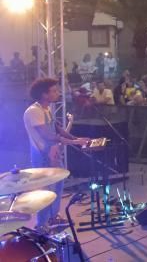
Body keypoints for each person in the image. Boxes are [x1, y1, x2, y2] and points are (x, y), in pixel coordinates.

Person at [23, 78, 89, 231]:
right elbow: (48, 135)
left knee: (57, 187)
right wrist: (74, 142)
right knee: (46, 191)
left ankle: (53, 218)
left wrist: (76, 138)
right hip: (42, 157)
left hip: (52, 155)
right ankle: (42, 225)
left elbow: (58, 129)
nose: (58, 93)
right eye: (54, 91)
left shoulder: (46, 109)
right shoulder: (34, 111)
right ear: (44, 94)